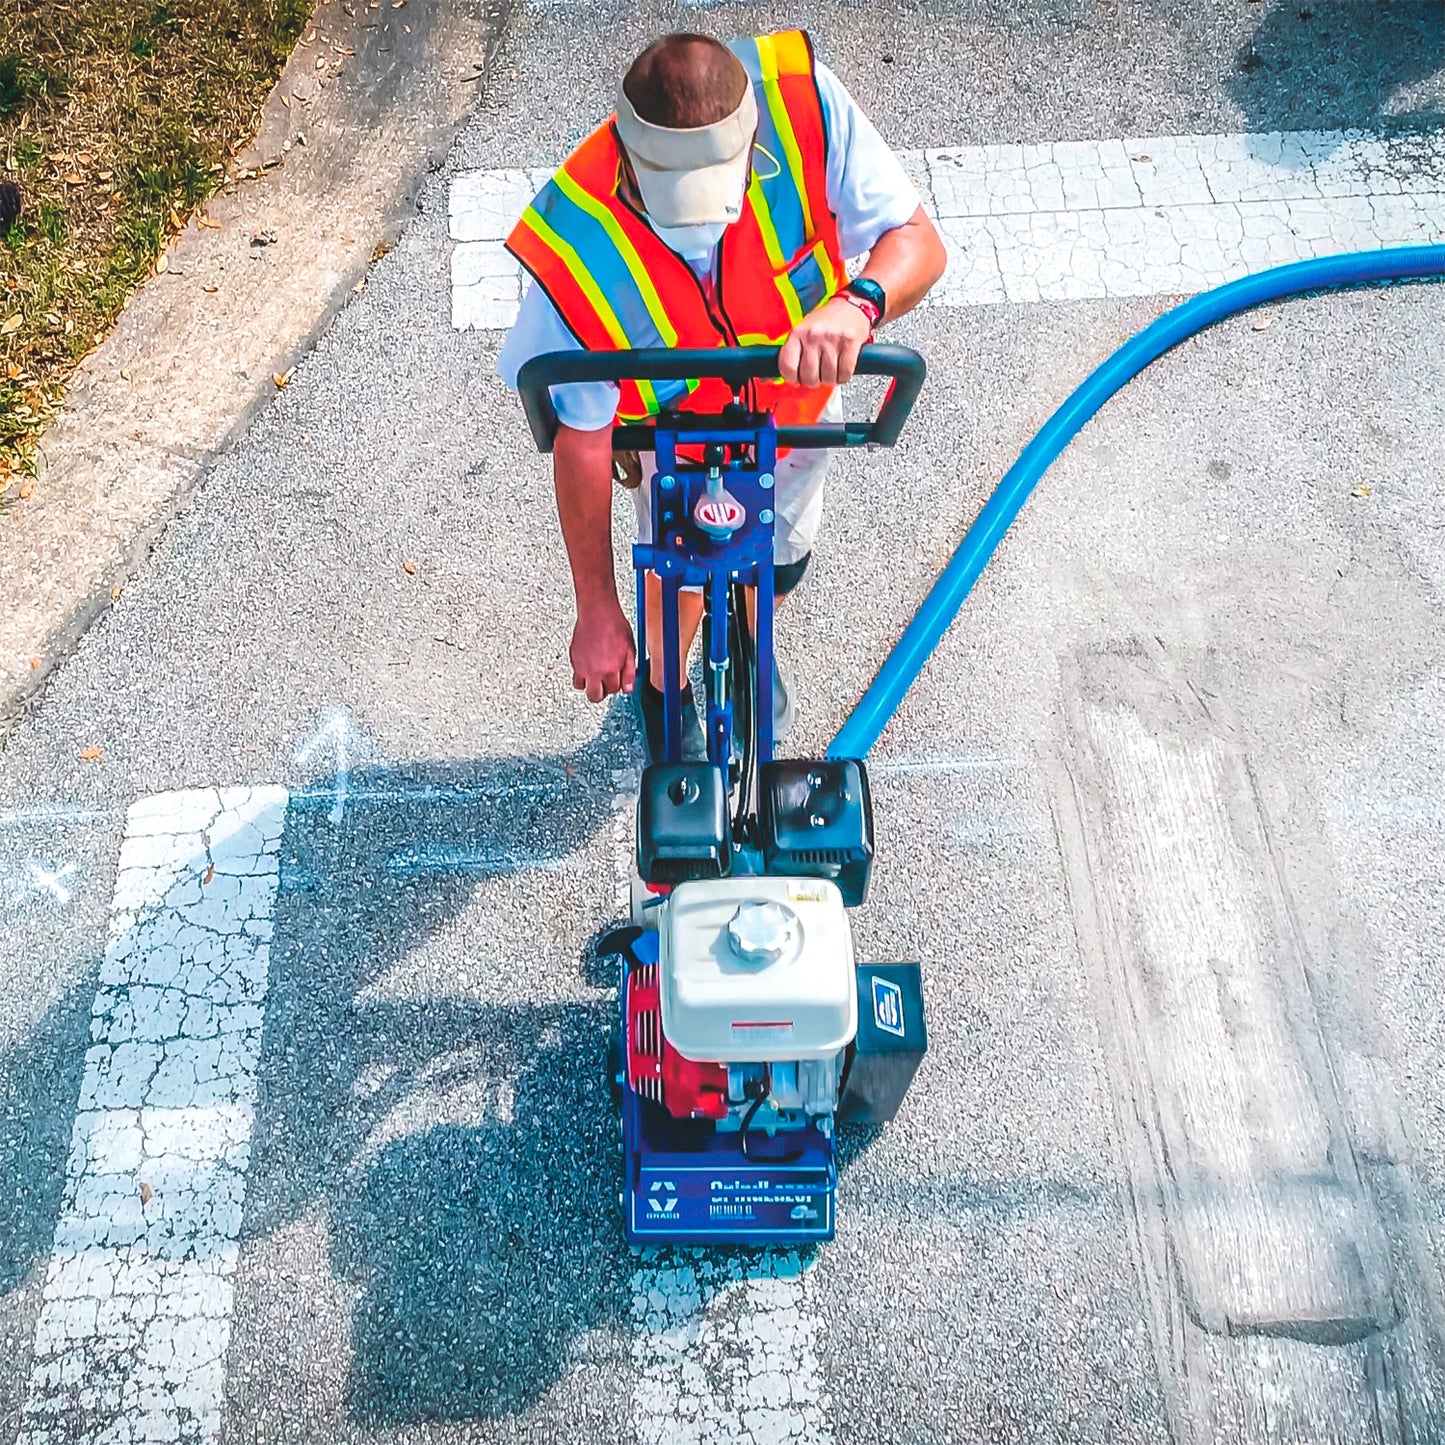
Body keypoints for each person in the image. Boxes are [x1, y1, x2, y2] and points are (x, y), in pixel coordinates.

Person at [499, 31, 946, 761]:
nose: (701, 230)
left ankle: (746, 632)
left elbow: (917, 242)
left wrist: (859, 303)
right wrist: (597, 608)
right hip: (672, 440)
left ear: (749, 139)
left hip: (795, 421)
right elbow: (582, 434)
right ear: (628, 158)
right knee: (674, 582)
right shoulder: (579, 234)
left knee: (777, 565)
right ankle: (664, 686)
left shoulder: (806, 109)